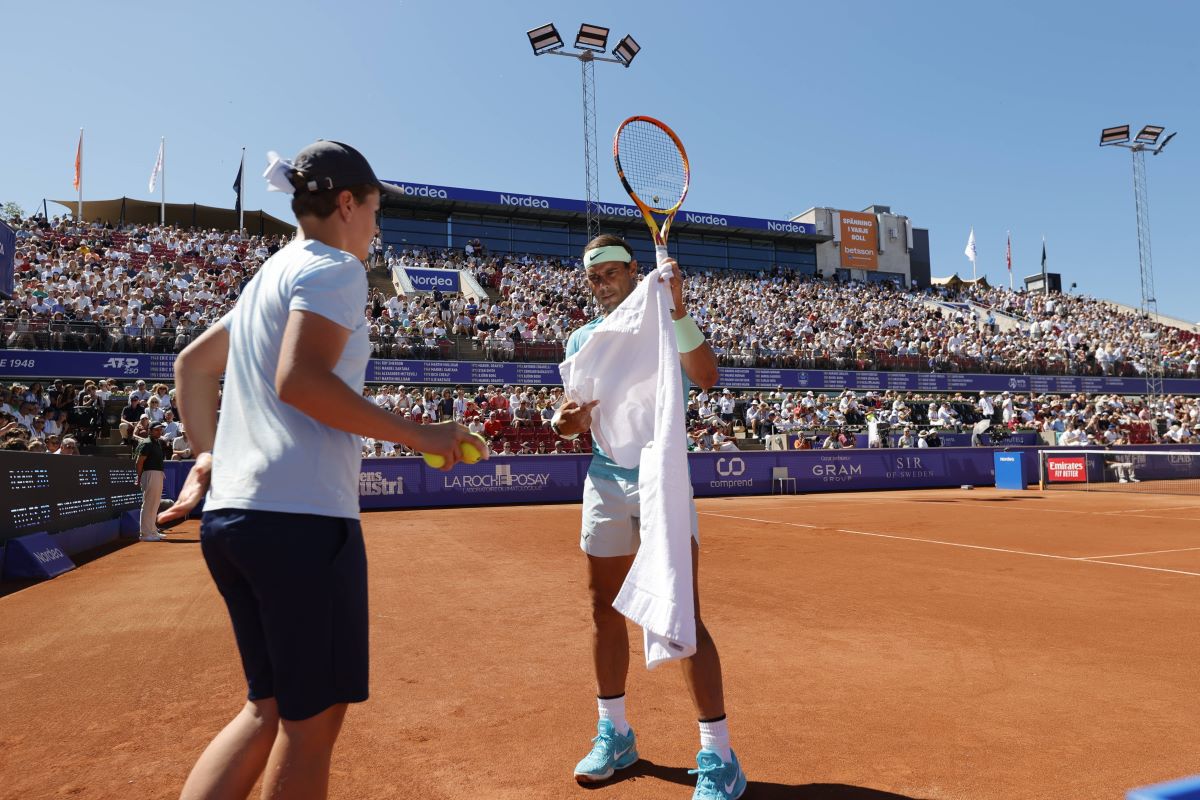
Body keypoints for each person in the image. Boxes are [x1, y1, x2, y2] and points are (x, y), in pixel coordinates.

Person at [156, 141, 478, 800]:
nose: (377, 230)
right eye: (376, 213)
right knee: (310, 724)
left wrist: (208, 455)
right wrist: (421, 435)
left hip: (236, 520)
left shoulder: (267, 277)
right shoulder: (336, 268)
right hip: (298, 522)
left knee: (265, 710)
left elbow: (191, 366)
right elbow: (299, 380)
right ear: (346, 203)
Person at [551, 234, 747, 800]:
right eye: (595, 275)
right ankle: (614, 734)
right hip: (606, 481)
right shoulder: (582, 339)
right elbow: (574, 423)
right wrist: (566, 422)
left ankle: (719, 755)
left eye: (613, 271)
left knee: (681, 613)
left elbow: (707, 376)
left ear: (636, 271)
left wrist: (680, 306)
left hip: (663, 483)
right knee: (602, 611)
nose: (604, 282)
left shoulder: (666, 322)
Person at [134, 422, 168, 541]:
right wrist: (138, 476)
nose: (159, 432)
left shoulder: (157, 443)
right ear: (150, 431)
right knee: (149, 504)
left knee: (155, 504)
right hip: (149, 474)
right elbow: (139, 461)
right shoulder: (146, 443)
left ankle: (152, 531)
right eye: (156, 430)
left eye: (160, 430)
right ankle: (145, 534)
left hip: (157, 474)